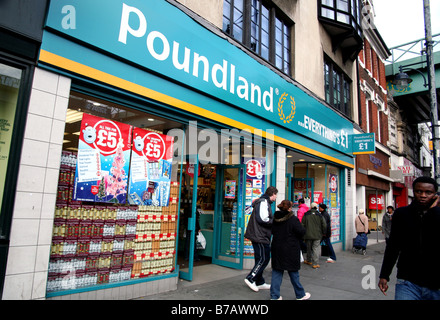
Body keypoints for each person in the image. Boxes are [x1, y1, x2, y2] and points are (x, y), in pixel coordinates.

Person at [378, 176, 440, 300]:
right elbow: (393, 247)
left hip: (436, 283)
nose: (423, 195)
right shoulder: (402, 214)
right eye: (419, 191)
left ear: (435, 195)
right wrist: (384, 275)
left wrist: (433, 212)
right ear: (414, 192)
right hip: (407, 281)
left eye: (428, 192)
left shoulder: (438, 215)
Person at [270, 200, 310, 300]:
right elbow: (301, 232)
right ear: (289, 208)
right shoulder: (293, 219)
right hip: (290, 249)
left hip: (277, 248)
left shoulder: (275, 218)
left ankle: (274, 296)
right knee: (293, 272)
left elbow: (272, 231)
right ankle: (300, 294)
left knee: (277, 272)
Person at [244, 186, 278, 292]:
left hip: (258, 235)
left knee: (260, 258)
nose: (276, 197)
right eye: (276, 194)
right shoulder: (263, 202)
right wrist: (274, 222)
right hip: (260, 236)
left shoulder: (263, 202)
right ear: (272, 194)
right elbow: (263, 219)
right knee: (264, 258)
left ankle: (259, 281)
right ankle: (250, 278)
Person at [301, 202, 326, 269]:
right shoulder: (320, 215)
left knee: (308, 247)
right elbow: (324, 225)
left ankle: (309, 260)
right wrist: (323, 232)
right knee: (315, 248)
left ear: (310, 207)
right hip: (317, 234)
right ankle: (315, 263)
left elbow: (302, 224)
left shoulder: (306, 214)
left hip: (308, 234)